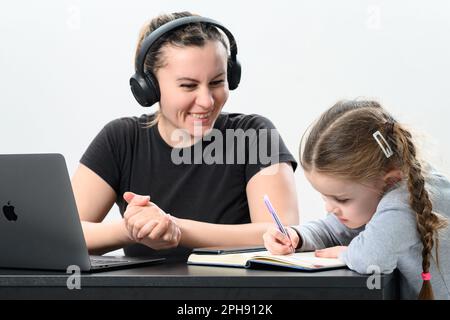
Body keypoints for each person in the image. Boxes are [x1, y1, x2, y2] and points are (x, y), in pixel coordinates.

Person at [71, 12, 299, 262]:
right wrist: (132, 229)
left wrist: (176, 228)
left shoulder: (254, 135)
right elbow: (66, 234)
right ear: (149, 87)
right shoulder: (121, 140)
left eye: (217, 82)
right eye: (188, 86)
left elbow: (283, 234)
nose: (206, 101)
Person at [263, 100, 450, 299]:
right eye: (324, 198)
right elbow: (335, 229)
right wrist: (296, 236)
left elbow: (372, 257)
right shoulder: (390, 187)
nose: (330, 208)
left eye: (341, 200)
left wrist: (345, 253)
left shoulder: (403, 203)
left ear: (389, 180)